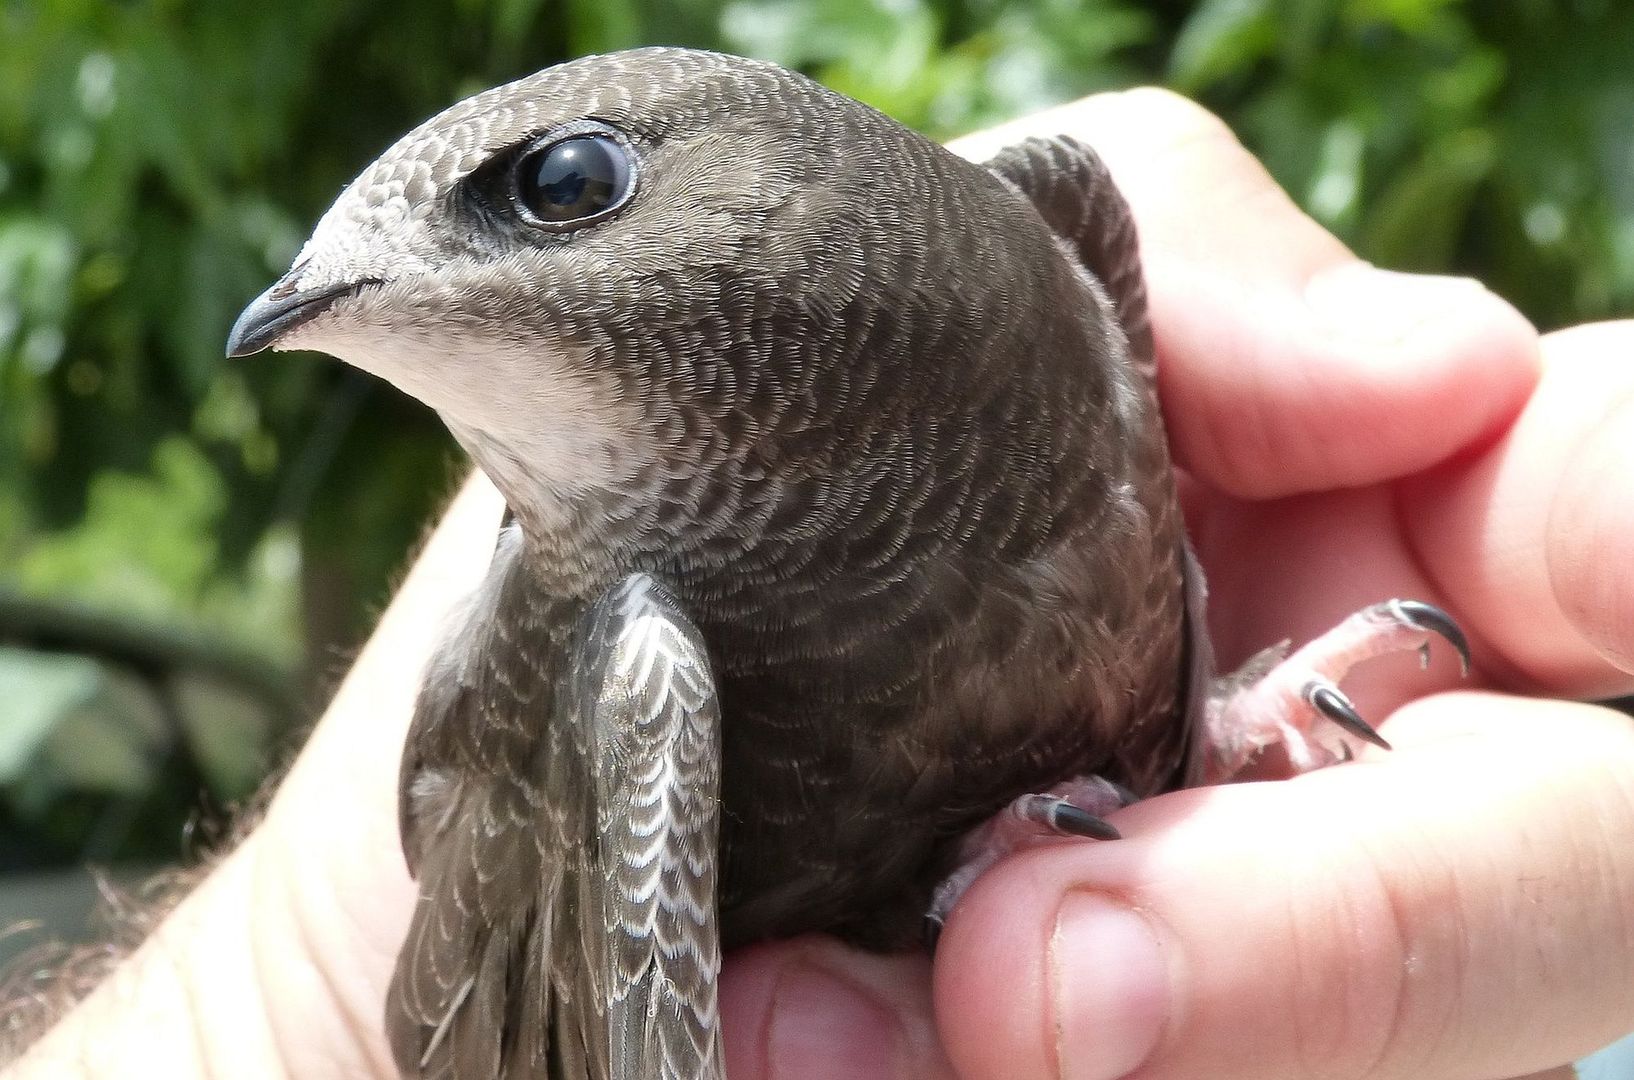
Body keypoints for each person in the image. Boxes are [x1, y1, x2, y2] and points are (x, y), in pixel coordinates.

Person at [8, 87, 1632, 1080]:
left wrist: (1215, 725)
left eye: (561, 188)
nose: (380, 299)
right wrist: (263, 1037)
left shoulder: (1055, 218)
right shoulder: (616, 642)